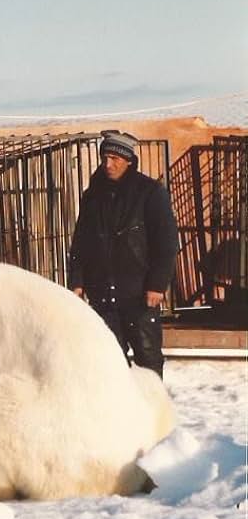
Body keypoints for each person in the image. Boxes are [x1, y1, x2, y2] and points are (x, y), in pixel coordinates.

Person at [69, 130, 179, 378]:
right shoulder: (93, 196)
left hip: (139, 294)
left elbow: (167, 242)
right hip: (102, 295)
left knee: (148, 361)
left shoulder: (150, 192)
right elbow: (81, 242)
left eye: (115, 159)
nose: (108, 164)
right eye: (104, 158)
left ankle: (150, 414)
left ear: (129, 160)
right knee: (108, 365)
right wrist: (77, 280)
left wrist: (157, 284)